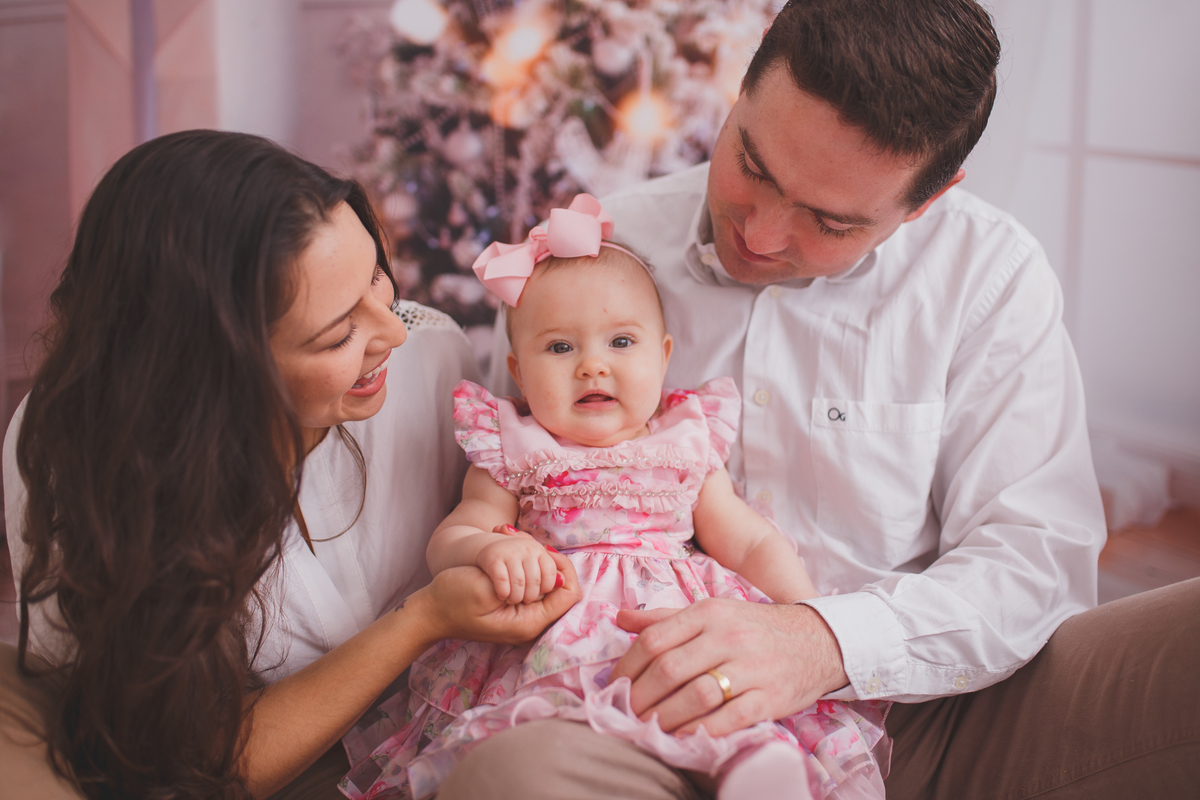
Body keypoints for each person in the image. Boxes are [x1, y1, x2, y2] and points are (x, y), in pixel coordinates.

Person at [456, 1, 1200, 798]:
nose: (765, 234)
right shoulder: (603, 251)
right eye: (755, 166)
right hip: (642, 704)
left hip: (937, 715)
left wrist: (822, 642)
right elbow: (504, 502)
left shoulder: (989, 276)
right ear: (744, 86)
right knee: (515, 778)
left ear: (928, 198)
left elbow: (1035, 564)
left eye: (830, 221)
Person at [0, 130, 580, 800]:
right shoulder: (76, 458)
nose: (392, 330)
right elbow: (182, 765)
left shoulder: (430, 361)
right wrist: (422, 619)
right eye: (338, 334)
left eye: (374, 278)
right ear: (217, 370)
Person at [339, 195, 889, 800]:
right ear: (519, 373)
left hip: (673, 629)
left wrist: (802, 614)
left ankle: (750, 764)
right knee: (544, 733)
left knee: (713, 694)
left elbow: (749, 538)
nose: (592, 367)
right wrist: (490, 551)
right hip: (553, 644)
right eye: (560, 348)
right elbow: (452, 537)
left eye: (621, 343)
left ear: (664, 357)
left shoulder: (685, 443)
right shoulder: (514, 448)